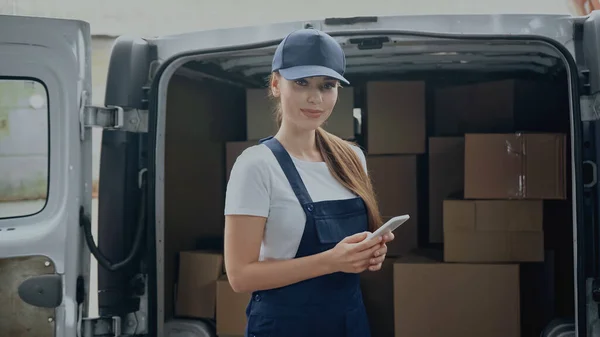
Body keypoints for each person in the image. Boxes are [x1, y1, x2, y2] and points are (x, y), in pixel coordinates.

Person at [223, 28, 395, 337]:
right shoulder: (256, 165)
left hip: (350, 322)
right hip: (285, 326)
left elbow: (353, 246)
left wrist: (368, 254)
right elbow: (240, 276)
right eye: (301, 83)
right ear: (276, 84)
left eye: (327, 85)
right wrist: (332, 261)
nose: (315, 97)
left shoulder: (353, 158)